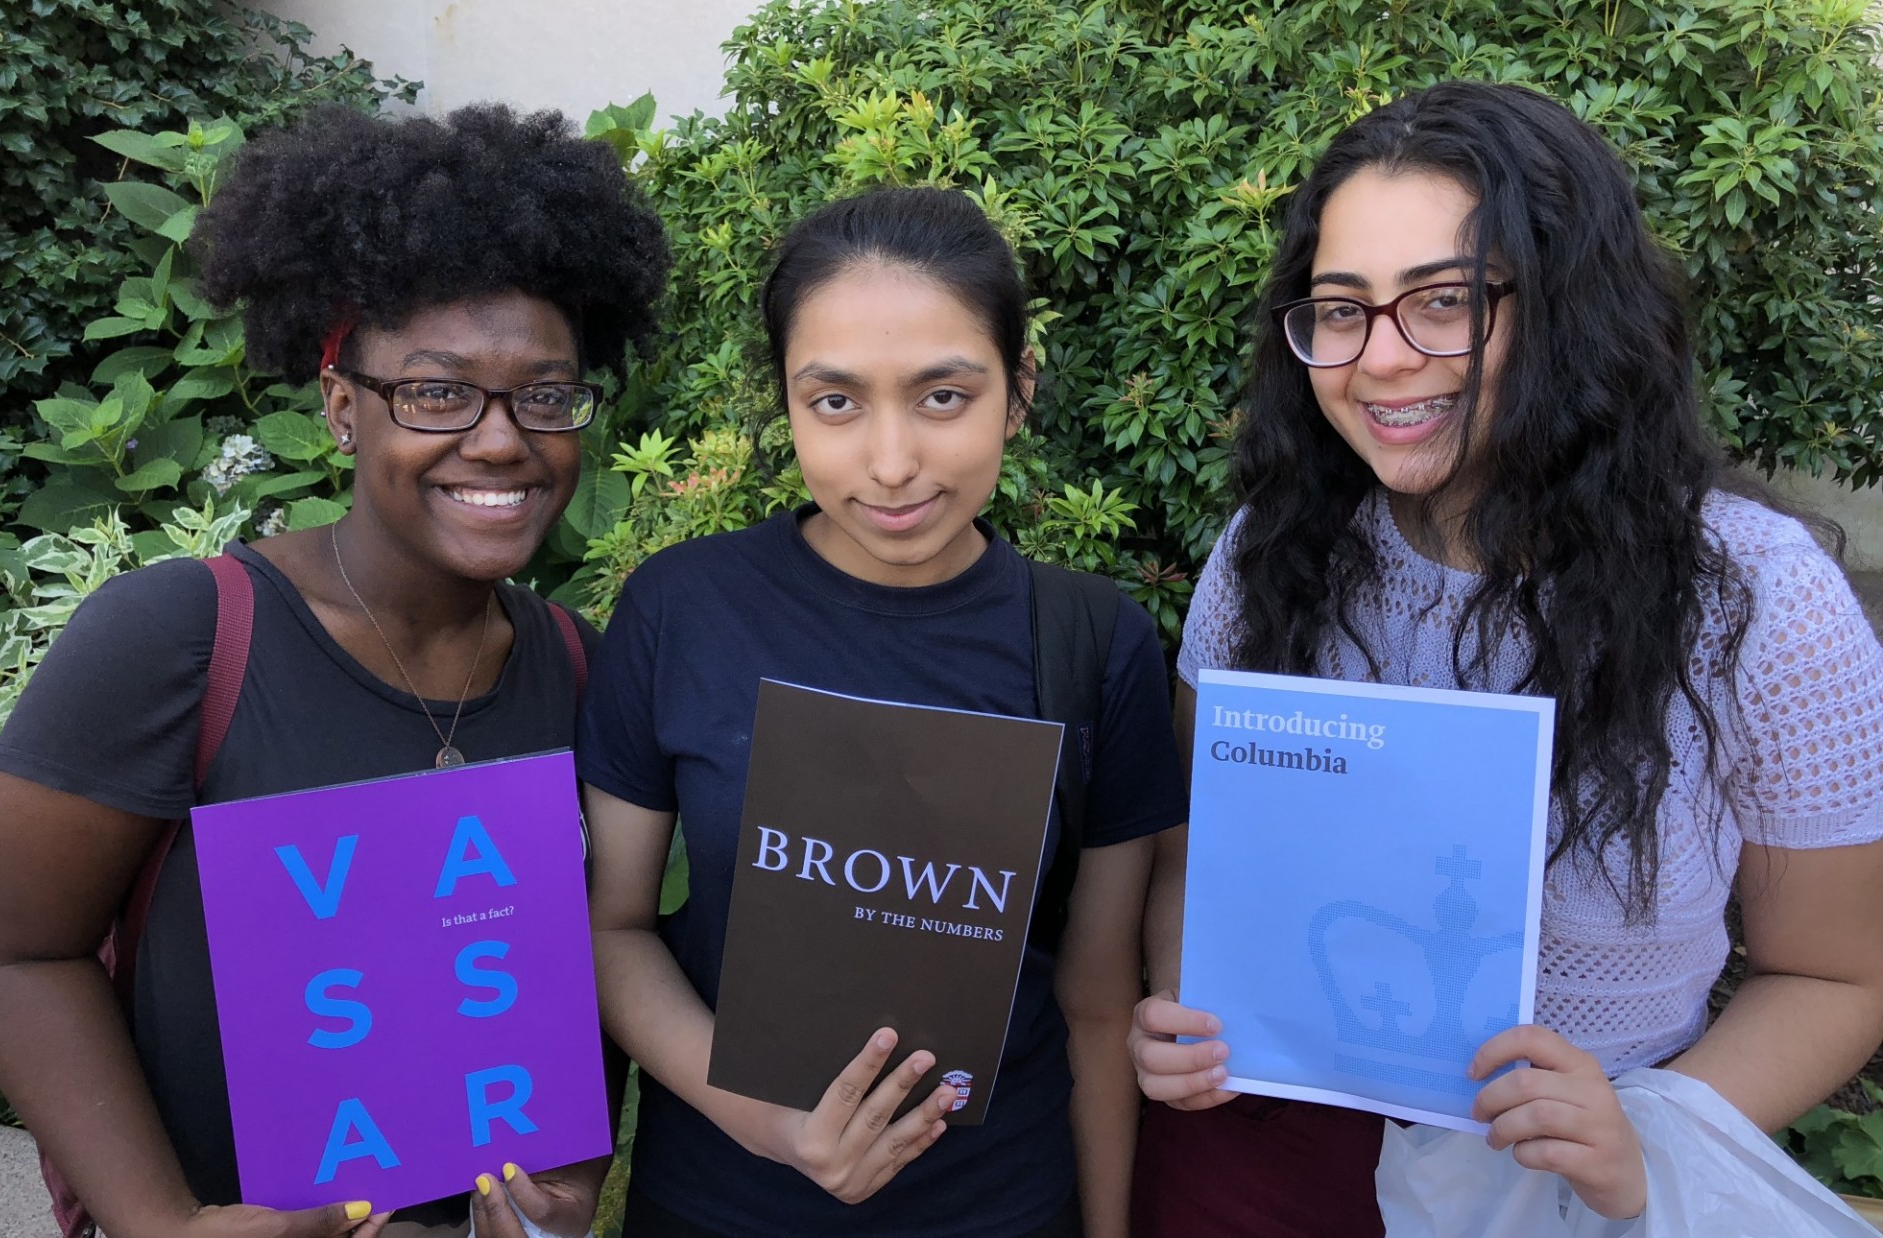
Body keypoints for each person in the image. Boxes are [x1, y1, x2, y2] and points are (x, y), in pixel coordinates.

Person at [1127, 80, 1883, 1236]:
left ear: (1572, 306)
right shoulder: (1271, 554)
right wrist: (1185, 993)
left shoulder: (1757, 600)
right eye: (1341, 307)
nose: (1381, 358)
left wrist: (1655, 1130)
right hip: (1259, 1149)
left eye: (1445, 299)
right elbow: (1198, 856)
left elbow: (1837, 974)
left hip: (1565, 1184)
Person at [0, 103, 669, 1238]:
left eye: (546, 394)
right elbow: (7, 949)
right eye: (437, 392)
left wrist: (561, 1187)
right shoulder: (182, 637)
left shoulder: (576, 665)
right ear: (342, 405)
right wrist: (165, 1223)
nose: (502, 439)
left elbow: (564, 963)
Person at [578, 185, 1188, 1238]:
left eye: (944, 396)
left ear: (1019, 389)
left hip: (1002, 1204)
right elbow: (613, 927)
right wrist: (771, 1123)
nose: (892, 461)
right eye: (837, 401)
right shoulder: (684, 608)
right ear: (786, 400)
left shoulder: (1096, 642)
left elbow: (1095, 998)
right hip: (723, 1201)